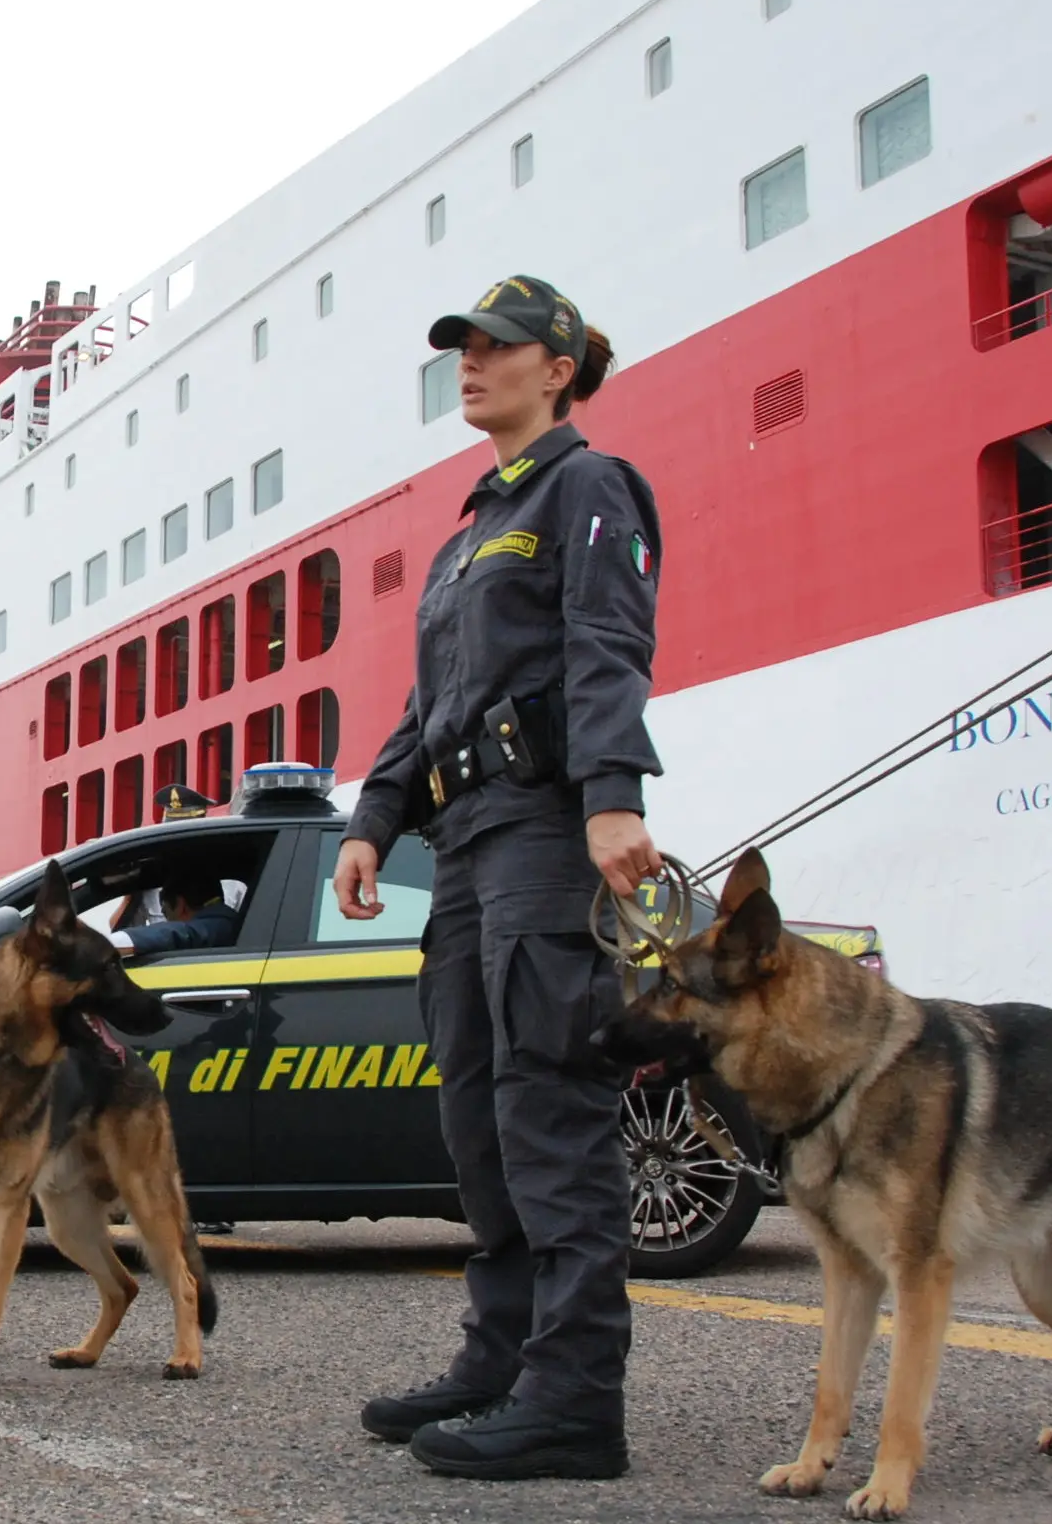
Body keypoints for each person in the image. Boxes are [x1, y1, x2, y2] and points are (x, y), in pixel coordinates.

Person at [332, 276, 665, 1480]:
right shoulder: (470, 529)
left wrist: (613, 793)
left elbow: (607, 641)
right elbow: (427, 706)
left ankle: (575, 1398)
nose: (470, 365)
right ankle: (501, 1359)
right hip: (463, 840)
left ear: (559, 367)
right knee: (476, 1110)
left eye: (497, 348)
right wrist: (372, 820)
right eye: (462, 349)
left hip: (541, 826)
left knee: (548, 1107)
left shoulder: (587, 486)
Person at [111, 875, 241, 957]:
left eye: (165, 913)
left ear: (180, 904)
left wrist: (101, 946)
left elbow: (177, 933)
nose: (167, 920)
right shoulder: (226, 920)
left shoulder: (216, 925)